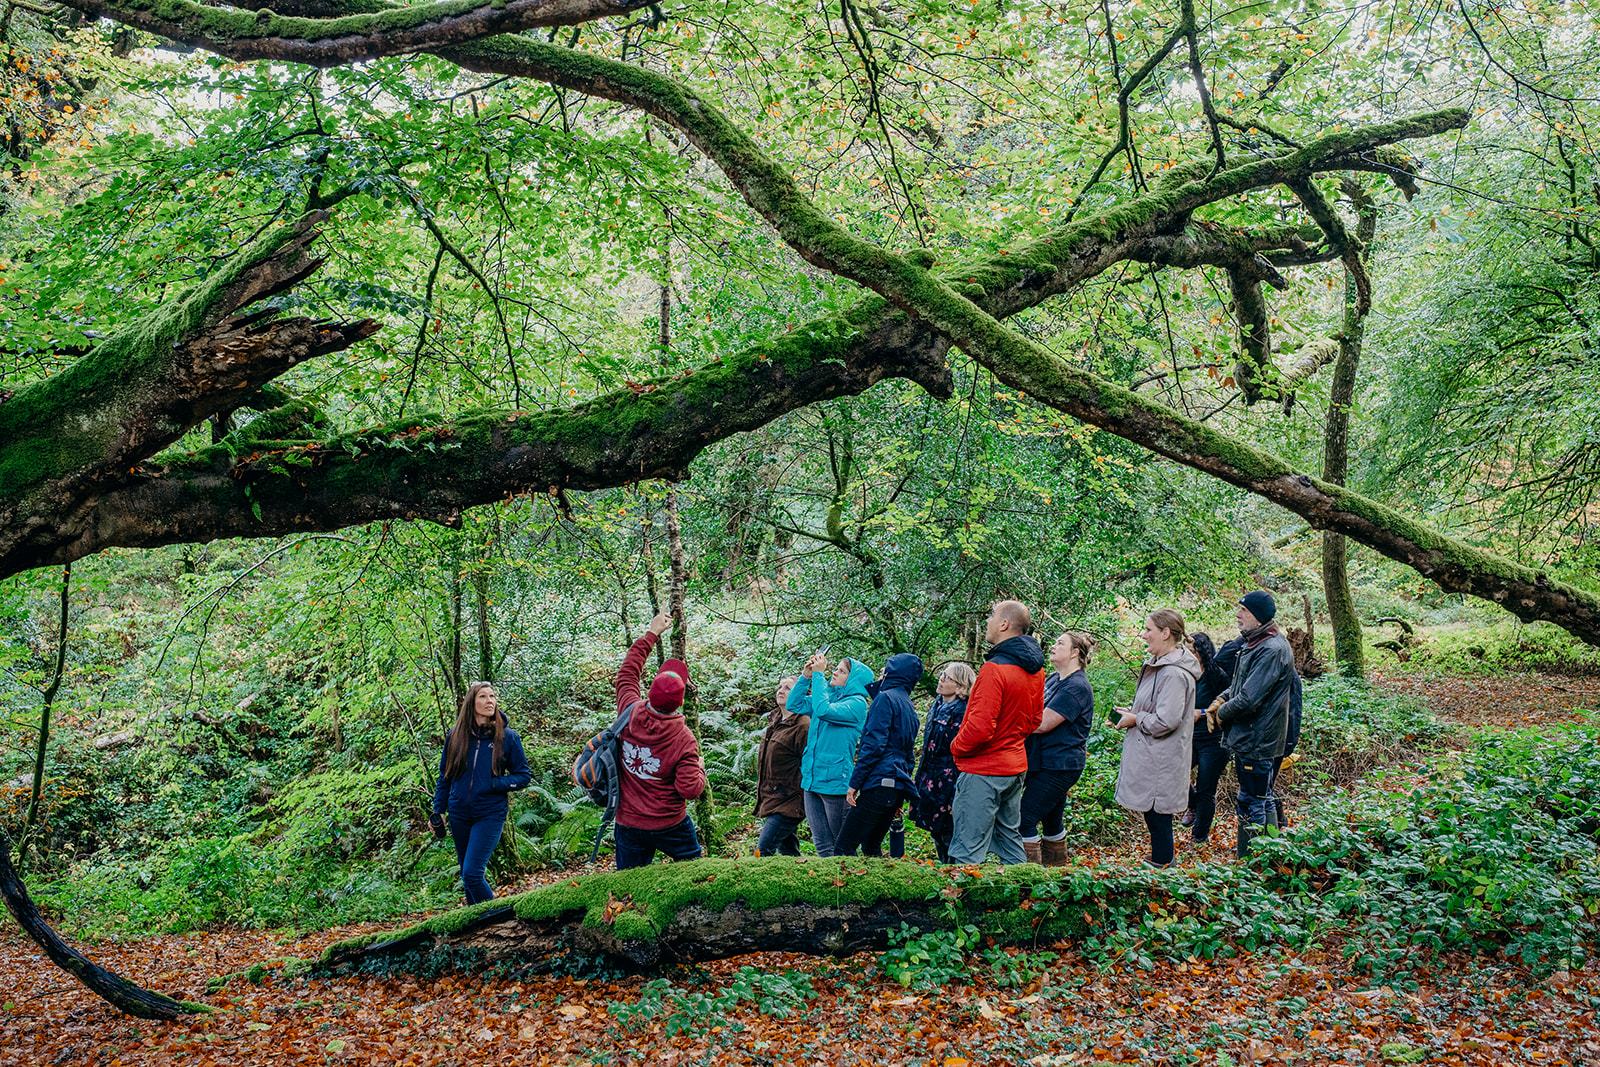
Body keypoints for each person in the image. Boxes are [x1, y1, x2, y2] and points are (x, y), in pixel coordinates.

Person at [947, 600, 1045, 865]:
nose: (988, 622)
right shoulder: (1036, 670)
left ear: (1004, 624)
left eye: (992, 616)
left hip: (984, 770)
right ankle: (1022, 889)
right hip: (1015, 767)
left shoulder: (994, 669)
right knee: (1010, 841)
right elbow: (1035, 720)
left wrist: (955, 747)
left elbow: (980, 728)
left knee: (967, 847)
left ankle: (963, 891)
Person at [612, 612, 708, 870]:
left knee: (628, 882)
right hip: (670, 824)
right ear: (681, 702)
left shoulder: (629, 711)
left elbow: (627, 674)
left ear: (650, 692)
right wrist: (699, 768)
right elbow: (690, 789)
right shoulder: (684, 739)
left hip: (628, 821)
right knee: (694, 873)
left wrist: (652, 633)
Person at [1205, 590, 1295, 857]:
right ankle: (1266, 855)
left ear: (1258, 616)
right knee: (1261, 796)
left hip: (1258, 739)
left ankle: (1251, 861)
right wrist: (1219, 700)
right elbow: (1239, 686)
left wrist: (1221, 714)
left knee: (1251, 800)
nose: (1238, 615)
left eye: (1243, 611)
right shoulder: (1256, 643)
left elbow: (1248, 699)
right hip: (1253, 737)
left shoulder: (1271, 649)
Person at [1112, 609, 1200, 868]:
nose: (1143, 635)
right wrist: (1132, 713)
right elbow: (1156, 708)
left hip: (1161, 758)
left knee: (1158, 815)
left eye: (1148, 629)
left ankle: (1163, 868)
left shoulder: (1173, 673)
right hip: (1152, 755)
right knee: (1154, 815)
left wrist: (1136, 719)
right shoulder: (1159, 666)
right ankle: (1161, 864)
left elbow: (1166, 720)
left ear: (1165, 633)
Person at [430, 682, 532, 904]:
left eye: (492, 696)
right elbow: (445, 776)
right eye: (483, 696)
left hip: (490, 813)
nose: (490, 701)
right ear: (471, 702)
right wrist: (438, 810)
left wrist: (494, 784)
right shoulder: (455, 736)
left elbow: (523, 776)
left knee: (472, 873)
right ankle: (477, 922)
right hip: (459, 813)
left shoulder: (507, 737)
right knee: (467, 876)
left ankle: (497, 916)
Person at [834, 653, 923, 856]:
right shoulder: (909, 706)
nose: (882, 672)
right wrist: (902, 791)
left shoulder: (885, 699)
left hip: (879, 782)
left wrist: (854, 784)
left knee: (843, 848)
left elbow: (873, 746)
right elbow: (909, 756)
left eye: (887, 668)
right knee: (871, 847)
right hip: (895, 785)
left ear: (894, 673)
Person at [1020, 631, 1095, 867]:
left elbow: (1042, 723)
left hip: (1059, 766)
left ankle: (1027, 875)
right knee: (1051, 819)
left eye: (1060, 643)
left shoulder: (1077, 687)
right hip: (1043, 761)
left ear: (1074, 653)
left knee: (1025, 818)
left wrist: (1010, 719)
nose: (1053, 646)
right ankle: (1057, 871)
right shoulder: (1055, 679)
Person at [798, 652, 874, 857]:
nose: (835, 672)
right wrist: (806, 677)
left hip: (835, 781)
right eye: (836, 669)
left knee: (842, 846)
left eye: (842, 671)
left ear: (853, 680)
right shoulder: (828, 696)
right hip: (812, 778)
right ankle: (831, 879)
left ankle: (851, 878)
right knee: (822, 844)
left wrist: (818, 675)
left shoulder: (857, 704)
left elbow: (823, 710)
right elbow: (794, 704)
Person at [910, 662, 976, 862]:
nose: (941, 679)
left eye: (947, 678)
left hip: (950, 779)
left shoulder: (963, 711)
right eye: (942, 675)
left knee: (949, 831)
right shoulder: (938, 705)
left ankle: (953, 871)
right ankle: (944, 866)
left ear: (960, 686)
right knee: (935, 830)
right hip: (930, 775)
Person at [1183, 632, 1233, 845]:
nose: (1189, 655)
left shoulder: (1216, 675)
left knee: (1206, 788)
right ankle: (1192, 804)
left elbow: (1228, 704)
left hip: (1214, 740)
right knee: (1174, 772)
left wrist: (1203, 713)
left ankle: (1199, 837)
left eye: (1193, 651)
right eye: (1186, 651)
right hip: (1188, 738)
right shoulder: (1184, 674)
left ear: (1202, 652)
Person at [754, 676, 809, 856]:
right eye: (780, 686)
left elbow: (809, 763)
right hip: (772, 797)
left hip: (790, 800)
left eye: (787, 688)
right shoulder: (775, 719)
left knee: (763, 850)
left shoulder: (803, 725)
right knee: (788, 851)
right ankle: (798, 872)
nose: (781, 690)